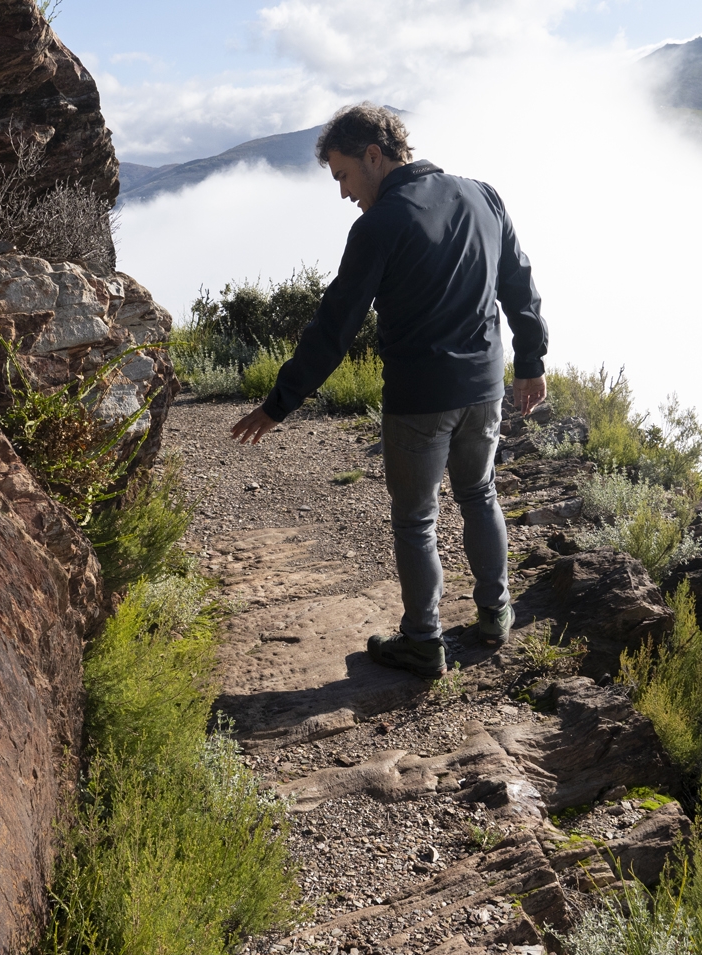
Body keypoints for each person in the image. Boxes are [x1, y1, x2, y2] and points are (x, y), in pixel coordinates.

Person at [229, 103, 549, 679]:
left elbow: (333, 328)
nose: (344, 192)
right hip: (485, 386)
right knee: (480, 493)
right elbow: (519, 283)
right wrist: (530, 361)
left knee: (416, 520)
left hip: (420, 398)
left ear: (374, 156)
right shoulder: (484, 196)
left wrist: (279, 404)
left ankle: (423, 643)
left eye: (344, 175)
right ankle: (495, 614)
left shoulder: (379, 226)